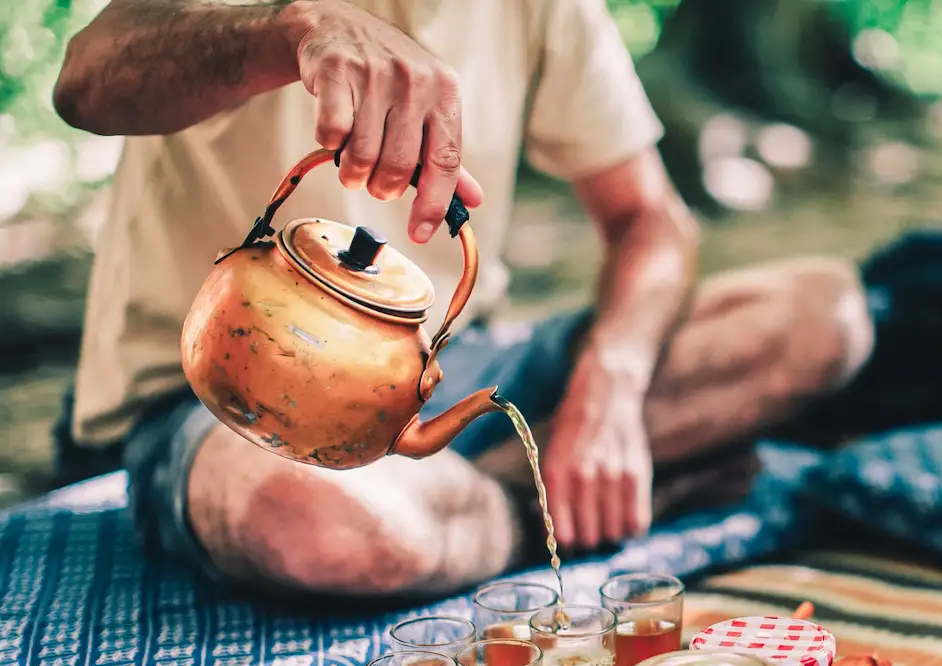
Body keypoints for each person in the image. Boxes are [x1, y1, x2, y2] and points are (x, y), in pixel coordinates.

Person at [50, 0, 875, 598]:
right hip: (221, 399)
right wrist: (296, 31)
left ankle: (460, 511)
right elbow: (87, 79)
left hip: (448, 360)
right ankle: (558, 510)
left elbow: (650, 220)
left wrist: (611, 387)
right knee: (318, 523)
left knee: (823, 313)